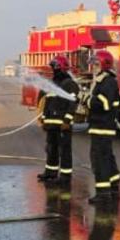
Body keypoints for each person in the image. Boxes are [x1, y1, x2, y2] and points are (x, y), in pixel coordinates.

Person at [37, 55, 79, 186]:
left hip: (62, 125)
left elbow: (73, 103)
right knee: (51, 149)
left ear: (60, 68)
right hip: (51, 123)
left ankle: (65, 177)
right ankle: (50, 173)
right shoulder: (52, 84)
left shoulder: (70, 84)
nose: (53, 70)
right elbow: (47, 103)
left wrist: (67, 120)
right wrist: (44, 119)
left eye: (54, 67)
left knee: (64, 151)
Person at [85, 49, 120, 204]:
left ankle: (103, 193)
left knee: (99, 160)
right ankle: (113, 185)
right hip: (100, 126)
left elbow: (105, 104)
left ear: (104, 64)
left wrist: (86, 99)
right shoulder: (102, 79)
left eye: (96, 63)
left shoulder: (108, 81)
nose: (93, 67)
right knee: (106, 157)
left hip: (102, 126)